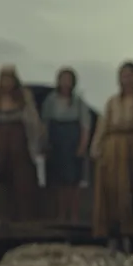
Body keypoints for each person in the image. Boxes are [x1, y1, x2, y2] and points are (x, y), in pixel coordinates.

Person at [89, 61, 133, 252]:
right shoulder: (112, 102)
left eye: (131, 75)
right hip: (113, 151)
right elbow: (103, 126)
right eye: (124, 75)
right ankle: (116, 237)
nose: (127, 79)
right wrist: (97, 146)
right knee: (113, 194)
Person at [0, 64, 42, 218]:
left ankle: (25, 215)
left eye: (9, 79)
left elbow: (32, 118)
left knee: (23, 176)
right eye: (4, 79)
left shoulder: (23, 95)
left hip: (18, 138)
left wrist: (35, 136)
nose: (7, 83)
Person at [40, 66, 91, 223]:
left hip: (72, 140)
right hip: (56, 142)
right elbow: (44, 124)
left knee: (73, 181)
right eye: (63, 79)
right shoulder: (51, 100)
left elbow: (85, 125)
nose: (65, 82)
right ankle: (61, 215)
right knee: (58, 181)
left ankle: (74, 215)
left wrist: (82, 146)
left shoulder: (78, 102)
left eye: (68, 79)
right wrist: (44, 143)